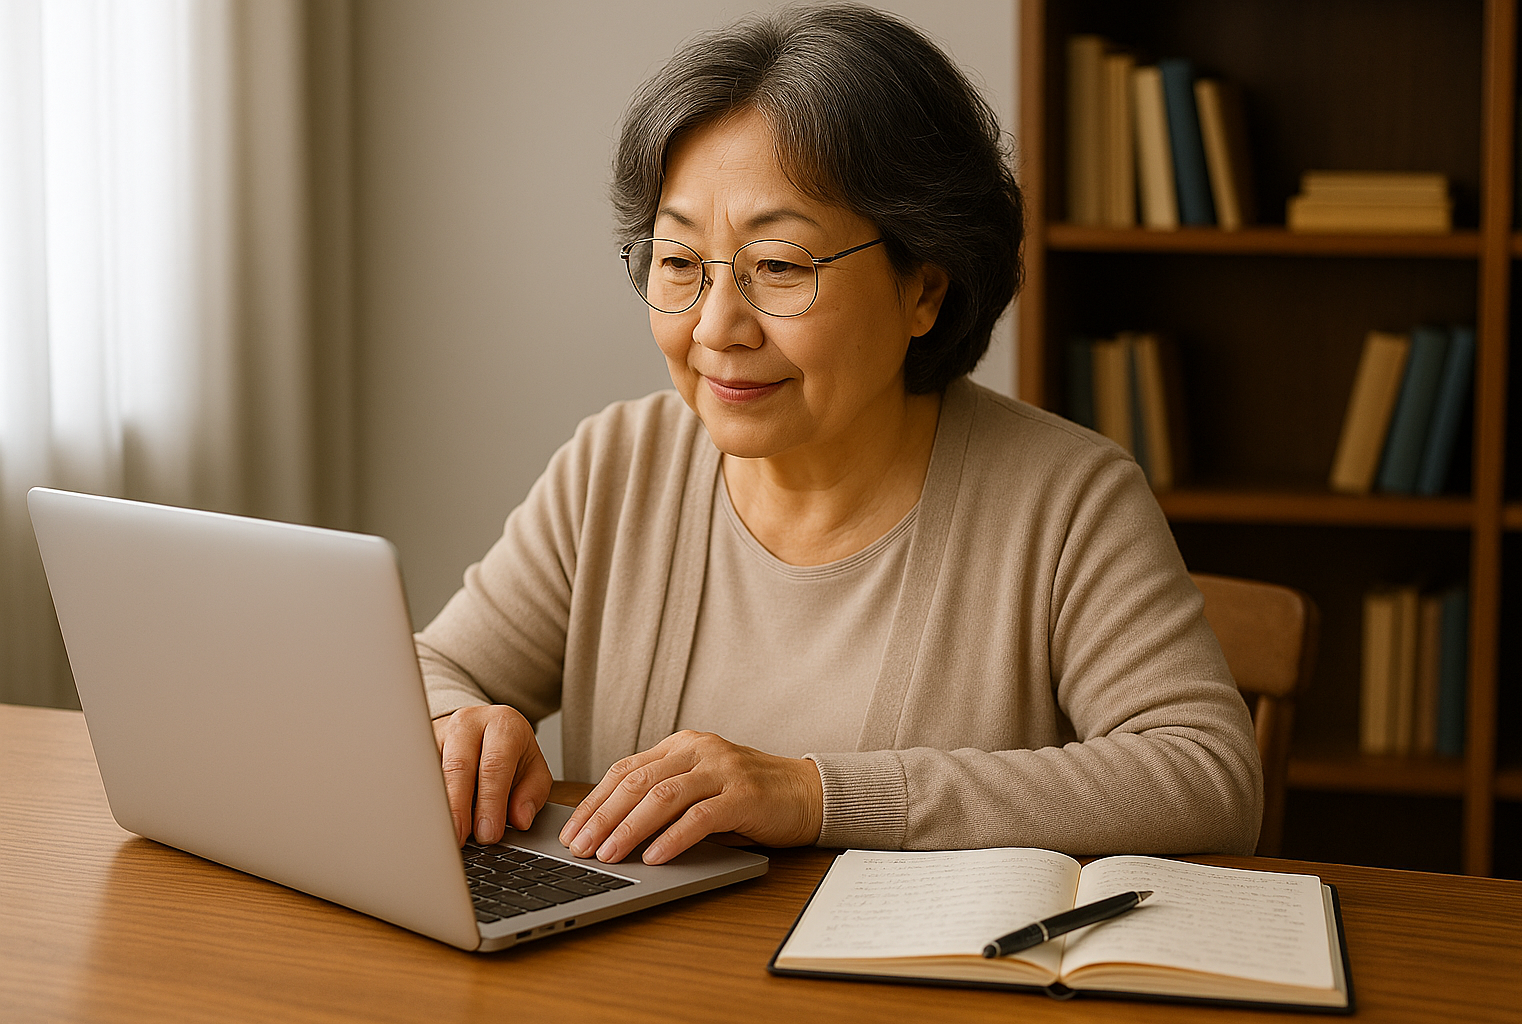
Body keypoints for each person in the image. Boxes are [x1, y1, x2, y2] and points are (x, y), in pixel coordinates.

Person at [418, 4, 1262, 868]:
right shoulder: (617, 466)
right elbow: (430, 669)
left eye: (779, 266)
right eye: (678, 263)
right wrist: (460, 724)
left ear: (924, 289)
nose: (716, 327)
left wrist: (816, 795)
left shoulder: (1069, 500)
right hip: (653, 955)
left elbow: (1206, 777)